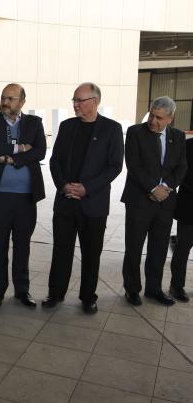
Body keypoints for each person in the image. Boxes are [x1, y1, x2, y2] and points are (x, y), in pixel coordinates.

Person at [43, 82, 124, 314]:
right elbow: (55, 160)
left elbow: (115, 166)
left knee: (91, 254)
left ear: (95, 101)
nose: (75, 104)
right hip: (66, 201)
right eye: (74, 100)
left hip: (93, 203)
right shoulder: (67, 126)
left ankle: (88, 297)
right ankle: (56, 293)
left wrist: (86, 188)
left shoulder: (111, 129)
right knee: (61, 251)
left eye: (80, 100)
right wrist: (63, 185)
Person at [0, 83, 46, 309]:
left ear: (22, 101)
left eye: (10, 98)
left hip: (26, 197)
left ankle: (22, 291)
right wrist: (20, 149)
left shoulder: (34, 123)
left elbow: (40, 151)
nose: (5, 102)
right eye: (3, 98)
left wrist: (10, 159)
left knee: (23, 245)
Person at [121, 96, 187, 306]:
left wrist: (164, 188)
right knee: (134, 247)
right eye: (151, 115)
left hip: (165, 202)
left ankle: (154, 289)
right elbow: (133, 165)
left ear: (170, 118)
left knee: (158, 248)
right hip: (139, 201)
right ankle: (132, 289)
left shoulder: (178, 136)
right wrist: (152, 188)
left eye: (159, 118)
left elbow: (182, 167)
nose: (153, 121)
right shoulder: (135, 132)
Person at [169, 137, 193, 302]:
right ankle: (176, 286)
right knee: (183, 247)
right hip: (190, 206)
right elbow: (180, 173)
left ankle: (174, 240)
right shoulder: (188, 146)